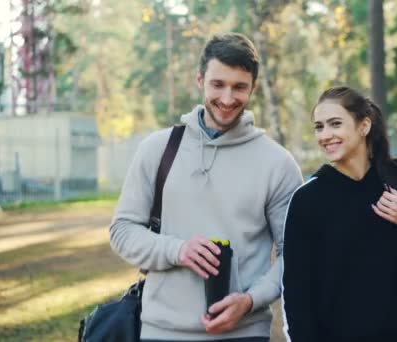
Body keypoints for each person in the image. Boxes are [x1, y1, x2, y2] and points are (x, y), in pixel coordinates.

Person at [110, 33, 303, 342]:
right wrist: (179, 250)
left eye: (239, 87)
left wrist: (251, 300)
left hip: (244, 334)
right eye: (218, 84)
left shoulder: (277, 163)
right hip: (161, 333)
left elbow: (296, 255)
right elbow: (122, 230)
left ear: (253, 87)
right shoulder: (158, 148)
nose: (227, 99)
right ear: (200, 79)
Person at [281, 86, 397, 342]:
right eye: (319, 127)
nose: (325, 135)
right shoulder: (307, 200)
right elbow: (296, 294)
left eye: (335, 124)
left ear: (364, 126)